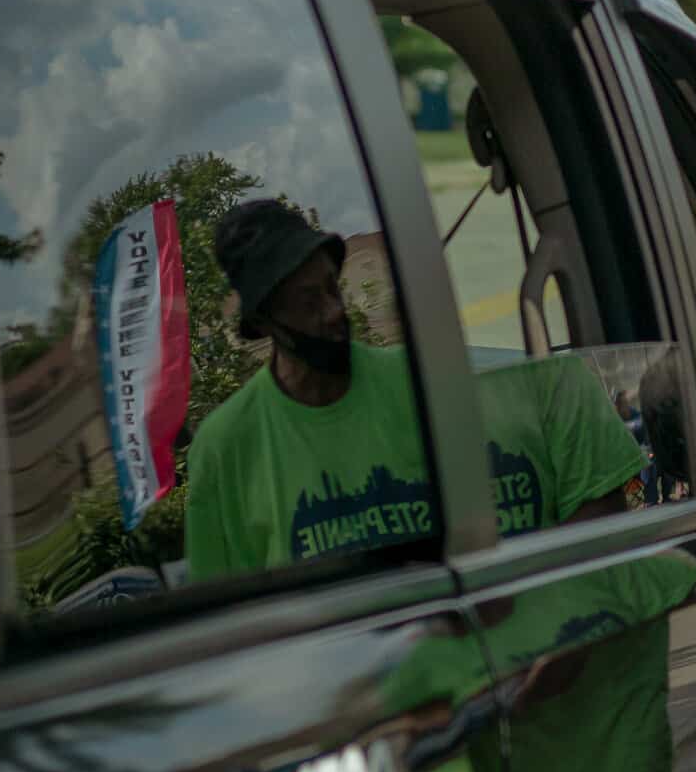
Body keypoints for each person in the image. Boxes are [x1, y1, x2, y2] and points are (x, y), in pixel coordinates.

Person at [187, 196, 644, 578]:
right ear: (265, 320)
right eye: (308, 301)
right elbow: (231, 622)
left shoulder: (423, 381)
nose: (331, 311)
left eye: (332, 288)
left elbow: (595, 517)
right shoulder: (224, 448)